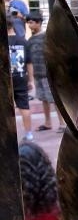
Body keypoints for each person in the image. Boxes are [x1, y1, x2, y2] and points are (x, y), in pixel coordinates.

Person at [25, 11, 59, 132]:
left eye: (31, 22)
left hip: (48, 74)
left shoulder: (47, 36)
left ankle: (63, 123)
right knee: (43, 99)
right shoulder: (29, 40)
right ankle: (48, 122)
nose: (29, 25)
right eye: (28, 22)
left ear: (39, 23)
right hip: (38, 75)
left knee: (54, 99)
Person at [7, 12, 33, 142]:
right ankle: (29, 134)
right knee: (24, 106)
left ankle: (9, 135)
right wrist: (31, 80)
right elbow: (29, 62)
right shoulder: (23, 41)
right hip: (21, 76)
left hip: (6, 80)